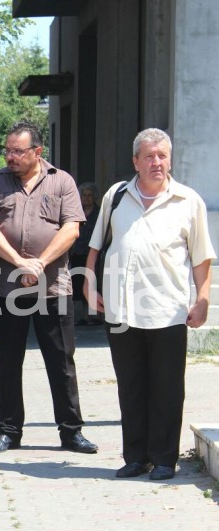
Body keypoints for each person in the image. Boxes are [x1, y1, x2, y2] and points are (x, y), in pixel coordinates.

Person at [85, 128, 215, 480]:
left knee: (167, 388)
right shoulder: (116, 196)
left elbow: (202, 258)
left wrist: (202, 299)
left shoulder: (188, 201)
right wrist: (89, 282)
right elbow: (96, 246)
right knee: (131, 385)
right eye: (149, 156)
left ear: (169, 159)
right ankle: (135, 457)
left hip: (167, 309)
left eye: (162, 155)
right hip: (121, 309)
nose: (157, 162)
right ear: (135, 162)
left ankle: (163, 459)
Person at [0, 120, 98, 455]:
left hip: (53, 287)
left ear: (37, 152)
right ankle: (9, 431)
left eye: (18, 151)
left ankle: (71, 431)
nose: (10, 156)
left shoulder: (62, 181)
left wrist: (40, 263)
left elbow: (71, 229)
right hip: (7, 287)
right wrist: (18, 261)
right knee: (9, 360)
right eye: (8, 150)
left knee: (61, 361)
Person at [70, 182, 102, 325]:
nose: (87, 198)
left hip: (94, 254)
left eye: (90, 195)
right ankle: (84, 315)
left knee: (94, 283)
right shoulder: (76, 212)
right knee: (79, 284)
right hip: (77, 253)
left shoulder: (100, 213)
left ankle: (95, 315)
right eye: (84, 195)